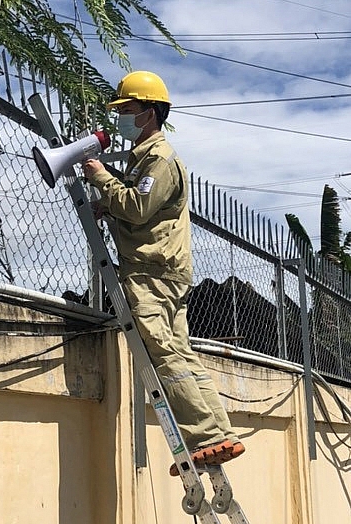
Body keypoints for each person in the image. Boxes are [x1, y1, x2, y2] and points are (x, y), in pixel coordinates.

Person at [81, 71, 245, 476]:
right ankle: (219, 433)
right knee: (181, 352)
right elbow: (144, 213)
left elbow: (137, 207)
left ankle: (203, 437)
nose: (122, 117)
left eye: (128, 109)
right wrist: (110, 205)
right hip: (163, 268)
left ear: (150, 112)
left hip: (153, 272)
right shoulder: (147, 160)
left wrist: (100, 176)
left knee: (161, 350)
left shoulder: (159, 158)